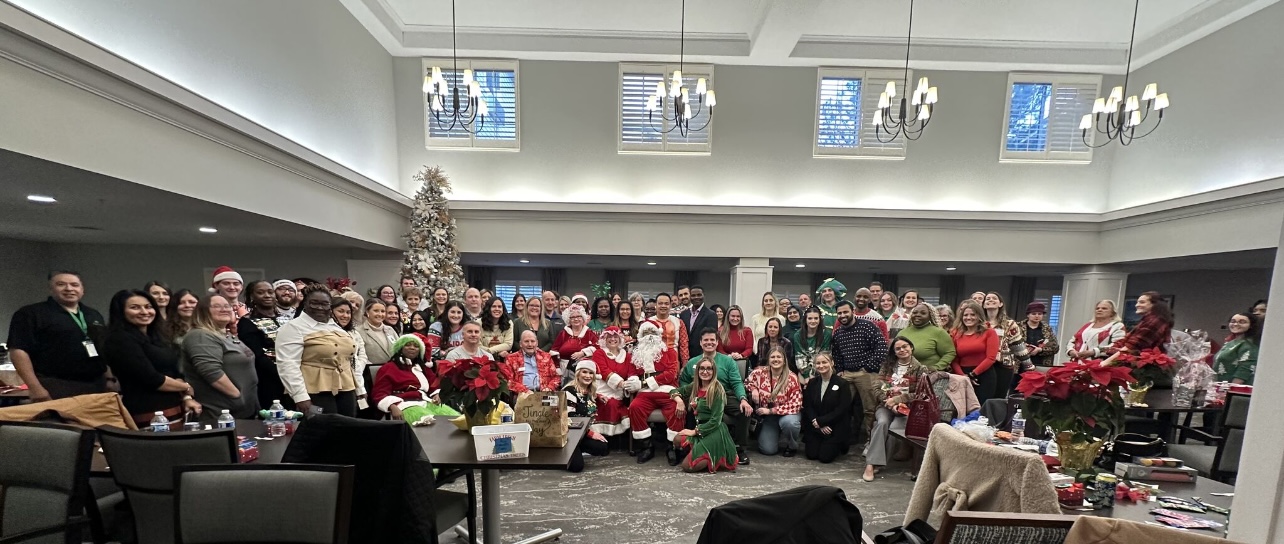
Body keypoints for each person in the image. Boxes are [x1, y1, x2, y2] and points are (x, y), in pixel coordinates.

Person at [7, 271, 108, 401]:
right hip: (54, 384)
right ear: (50, 289)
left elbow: (103, 349)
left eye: (75, 285)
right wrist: (35, 387)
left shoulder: (93, 314)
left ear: (82, 290)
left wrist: (109, 379)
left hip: (96, 384)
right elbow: (18, 351)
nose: (69, 288)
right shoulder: (30, 313)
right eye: (61, 284)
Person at [103, 290, 198, 429]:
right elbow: (152, 379)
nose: (144, 312)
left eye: (148, 307)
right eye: (135, 307)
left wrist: (186, 397)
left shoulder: (158, 337)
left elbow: (174, 372)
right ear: (120, 311)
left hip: (174, 407)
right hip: (147, 411)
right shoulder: (119, 340)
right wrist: (186, 387)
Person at [275, 285, 359, 417]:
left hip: (346, 387)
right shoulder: (293, 328)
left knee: (348, 426)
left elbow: (351, 360)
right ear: (305, 303)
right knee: (324, 427)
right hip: (314, 391)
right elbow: (288, 364)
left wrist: (360, 388)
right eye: (314, 303)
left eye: (324, 304)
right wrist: (300, 396)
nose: (320, 307)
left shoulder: (336, 326)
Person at [182, 294, 259, 425]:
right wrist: (237, 396)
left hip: (243, 412)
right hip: (221, 414)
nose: (224, 309)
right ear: (203, 311)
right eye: (217, 306)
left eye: (227, 306)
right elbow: (210, 371)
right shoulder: (200, 335)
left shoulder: (227, 335)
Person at [680, 329, 753, 465]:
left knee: (744, 411)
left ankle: (739, 449)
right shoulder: (692, 362)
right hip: (700, 397)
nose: (709, 343)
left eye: (712, 340)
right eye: (706, 340)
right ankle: (692, 445)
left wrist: (743, 399)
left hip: (724, 396)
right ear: (700, 343)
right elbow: (683, 381)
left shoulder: (728, 361)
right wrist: (686, 398)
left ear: (717, 342)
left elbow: (736, 382)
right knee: (690, 410)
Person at [864, 337, 928, 481]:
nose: (902, 350)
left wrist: (898, 400)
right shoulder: (888, 366)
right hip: (885, 405)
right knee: (882, 423)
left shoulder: (921, 369)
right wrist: (890, 402)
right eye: (898, 348)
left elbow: (920, 394)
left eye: (905, 346)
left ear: (911, 347)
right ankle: (870, 464)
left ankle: (878, 463)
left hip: (907, 409)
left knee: (893, 429)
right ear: (894, 352)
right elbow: (876, 386)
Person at [831, 300, 888, 446]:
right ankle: (840, 438)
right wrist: (840, 370)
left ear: (853, 311)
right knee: (840, 406)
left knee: (870, 409)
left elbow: (881, 348)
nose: (842, 315)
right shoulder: (838, 333)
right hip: (847, 374)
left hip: (866, 373)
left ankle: (871, 441)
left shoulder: (868, 326)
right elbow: (836, 354)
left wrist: (868, 368)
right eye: (839, 313)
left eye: (845, 312)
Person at [626, 322, 684, 463]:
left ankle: (673, 447)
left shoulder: (670, 352)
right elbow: (632, 373)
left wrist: (644, 383)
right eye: (646, 333)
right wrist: (633, 381)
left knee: (676, 409)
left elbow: (671, 374)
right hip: (645, 393)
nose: (650, 336)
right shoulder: (636, 354)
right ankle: (646, 446)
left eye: (652, 333)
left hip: (667, 390)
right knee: (635, 407)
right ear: (641, 336)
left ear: (659, 335)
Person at [671, 356, 738, 473]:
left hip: (714, 430)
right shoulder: (695, 386)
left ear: (714, 371)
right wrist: (679, 401)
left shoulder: (717, 389)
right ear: (697, 371)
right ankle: (701, 451)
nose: (705, 371)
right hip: (701, 429)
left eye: (709, 369)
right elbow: (674, 391)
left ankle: (715, 454)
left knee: (687, 467)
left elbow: (715, 421)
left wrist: (694, 431)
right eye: (702, 368)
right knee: (677, 439)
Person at [238, 280, 288, 410]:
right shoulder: (247, 322)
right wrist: (282, 374)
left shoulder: (287, 318)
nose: (267, 295)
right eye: (260, 292)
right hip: (268, 378)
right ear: (252, 296)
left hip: (294, 375)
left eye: (270, 292)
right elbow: (257, 354)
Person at [746, 345, 802, 457]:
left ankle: (792, 445)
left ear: (784, 360)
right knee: (768, 450)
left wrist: (771, 411)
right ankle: (774, 433)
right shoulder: (759, 372)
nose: (776, 359)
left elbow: (796, 404)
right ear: (768, 359)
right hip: (769, 418)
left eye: (779, 357)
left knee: (790, 423)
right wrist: (753, 389)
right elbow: (747, 382)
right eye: (773, 357)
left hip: (788, 414)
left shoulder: (792, 377)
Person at [372, 335, 440, 423]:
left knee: (450, 419)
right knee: (429, 422)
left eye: (416, 346)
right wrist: (392, 406)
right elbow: (379, 393)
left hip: (425, 401)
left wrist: (436, 394)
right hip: (403, 404)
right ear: (400, 348)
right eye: (408, 345)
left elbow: (434, 384)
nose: (412, 348)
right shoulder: (388, 368)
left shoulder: (423, 368)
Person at [801, 352, 853, 464]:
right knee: (811, 455)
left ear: (832, 363)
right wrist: (816, 421)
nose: (821, 365)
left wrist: (822, 421)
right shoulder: (812, 383)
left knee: (825, 458)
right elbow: (808, 405)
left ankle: (839, 445)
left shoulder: (842, 384)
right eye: (818, 363)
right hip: (816, 426)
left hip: (833, 427)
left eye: (824, 362)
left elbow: (842, 408)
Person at [563, 361, 611, 472]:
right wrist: (591, 433)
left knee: (603, 447)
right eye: (584, 372)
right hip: (569, 434)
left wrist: (598, 396)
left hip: (580, 433)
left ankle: (578, 447)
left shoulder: (589, 391)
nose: (588, 376)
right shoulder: (569, 391)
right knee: (576, 467)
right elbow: (570, 418)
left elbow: (585, 401)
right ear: (578, 374)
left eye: (591, 373)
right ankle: (564, 450)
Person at [950, 300, 1002, 403]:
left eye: (973, 315)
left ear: (979, 316)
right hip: (962, 375)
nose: (968, 317)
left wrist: (972, 375)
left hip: (984, 375)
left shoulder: (989, 332)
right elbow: (954, 360)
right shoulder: (956, 334)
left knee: (981, 407)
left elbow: (991, 358)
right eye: (965, 315)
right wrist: (964, 377)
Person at [591, 327, 637, 440]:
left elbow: (632, 373)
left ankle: (616, 440)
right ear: (604, 339)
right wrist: (621, 383)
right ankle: (602, 437)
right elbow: (603, 370)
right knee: (609, 404)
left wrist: (632, 383)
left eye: (615, 336)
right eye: (609, 337)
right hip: (601, 391)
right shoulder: (599, 353)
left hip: (619, 393)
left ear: (620, 339)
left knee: (618, 405)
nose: (612, 339)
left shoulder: (627, 356)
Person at [982, 292, 1032, 394]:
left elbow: (1018, 346)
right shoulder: (979, 324)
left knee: (999, 397)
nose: (990, 300)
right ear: (983, 305)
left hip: (1003, 367)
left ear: (1000, 304)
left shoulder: (1009, 324)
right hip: (982, 365)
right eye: (988, 299)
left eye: (994, 298)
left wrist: (1029, 366)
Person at [331, 298, 370, 411]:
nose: (345, 315)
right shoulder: (325, 332)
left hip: (353, 380)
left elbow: (361, 356)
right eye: (341, 311)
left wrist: (360, 388)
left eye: (348, 312)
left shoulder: (354, 333)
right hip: (332, 383)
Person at [1107, 292, 1175, 357]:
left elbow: (1131, 348)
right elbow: (1125, 341)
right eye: (1137, 302)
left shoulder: (1155, 320)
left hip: (1144, 364)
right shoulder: (1146, 320)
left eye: (1142, 302)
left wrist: (1104, 363)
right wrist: (1106, 350)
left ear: (1154, 305)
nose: (1136, 305)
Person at [894, 302, 956, 371]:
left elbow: (949, 353)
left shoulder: (939, 332)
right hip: (904, 373)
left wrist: (936, 367)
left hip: (930, 374)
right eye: (915, 313)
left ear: (930, 316)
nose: (918, 315)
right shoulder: (902, 332)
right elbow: (893, 354)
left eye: (923, 313)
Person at [1215, 313, 1260, 385]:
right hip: (1218, 385)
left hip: (1234, 389)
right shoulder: (1230, 343)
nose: (1235, 324)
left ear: (1251, 325)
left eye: (1242, 322)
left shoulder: (1249, 345)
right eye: (1233, 321)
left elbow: (1244, 372)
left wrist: (1230, 389)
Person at [552, 304, 599, 369]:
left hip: (584, 367)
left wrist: (583, 352)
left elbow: (597, 347)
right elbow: (554, 351)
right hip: (564, 368)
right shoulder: (563, 333)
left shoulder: (589, 333)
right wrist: (557, 367)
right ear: (568, 320)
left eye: (579, 316)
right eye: (572, 317)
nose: (576, 319)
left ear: (583, 318)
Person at [793, 306, 832, 382]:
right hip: (804, 370)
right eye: (810, 318)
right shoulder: (798, 335)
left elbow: (824, 356)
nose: (813, 321)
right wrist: (806, 376)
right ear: (805, 320)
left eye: (816, 318)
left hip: (822, 368)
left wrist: (812, 376)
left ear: (820, 319)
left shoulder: (826, 334)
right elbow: (799, 358)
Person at [357, 301, 397, 370]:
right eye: (376, 311)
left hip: (394, 370)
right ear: (367, 312)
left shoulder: (390, 330)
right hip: (371, 372)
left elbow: (399, 349)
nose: (380, 314)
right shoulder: (358, 331)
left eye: (383, 311)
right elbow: (358, 355)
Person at [680, 286, 718, 357]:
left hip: (703, 356)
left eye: (699, 295)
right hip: (685, 355)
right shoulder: (684, 314)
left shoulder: (711, 315)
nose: (696, 297)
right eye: (693, 295)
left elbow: (711, 337)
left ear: (704, 296)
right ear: (690, 297)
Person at [1022, 302, 1059, 367]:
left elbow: (1055, 348)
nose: (1037, 316)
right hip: (1020, 364)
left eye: (1040, 314)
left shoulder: (1047, 329)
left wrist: (1040, 350)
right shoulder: (1017, 327)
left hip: (1041, 365)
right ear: (1028, 315)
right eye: (1033, 314)